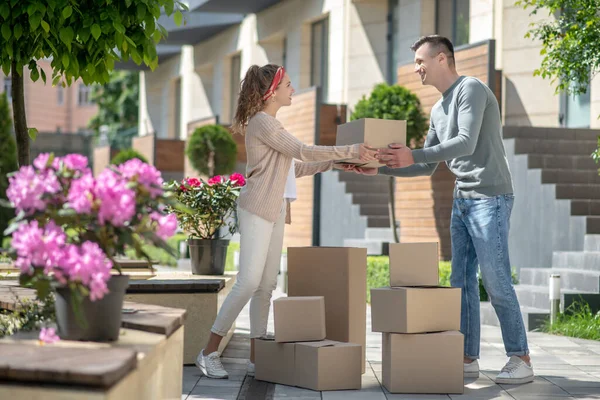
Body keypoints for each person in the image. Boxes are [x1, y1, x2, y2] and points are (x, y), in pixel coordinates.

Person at [344, 35, 534, 385]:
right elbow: (427, 166)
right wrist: (381, 169)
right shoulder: (437, 108)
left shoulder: (470, 89)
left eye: (421, 61)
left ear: (443, 59)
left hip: (490, 198)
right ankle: (467, 358)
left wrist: (413, 153)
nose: (416, 68)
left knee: (495, 280)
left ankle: (520, 357)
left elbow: (465, 141)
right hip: (463, 201)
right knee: (459, 282)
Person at [196, 64, 376, 379]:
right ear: (272, 91)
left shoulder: (270, 125)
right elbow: (303, 151)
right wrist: (350, 150)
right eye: (289, 85)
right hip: (257, 208)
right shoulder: (263, 123)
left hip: (276, 208)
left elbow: (294, 168)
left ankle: (256, 357)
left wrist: (340, 162)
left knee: (267, 285)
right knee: (249, 281)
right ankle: (208, 351)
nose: (293, 90)